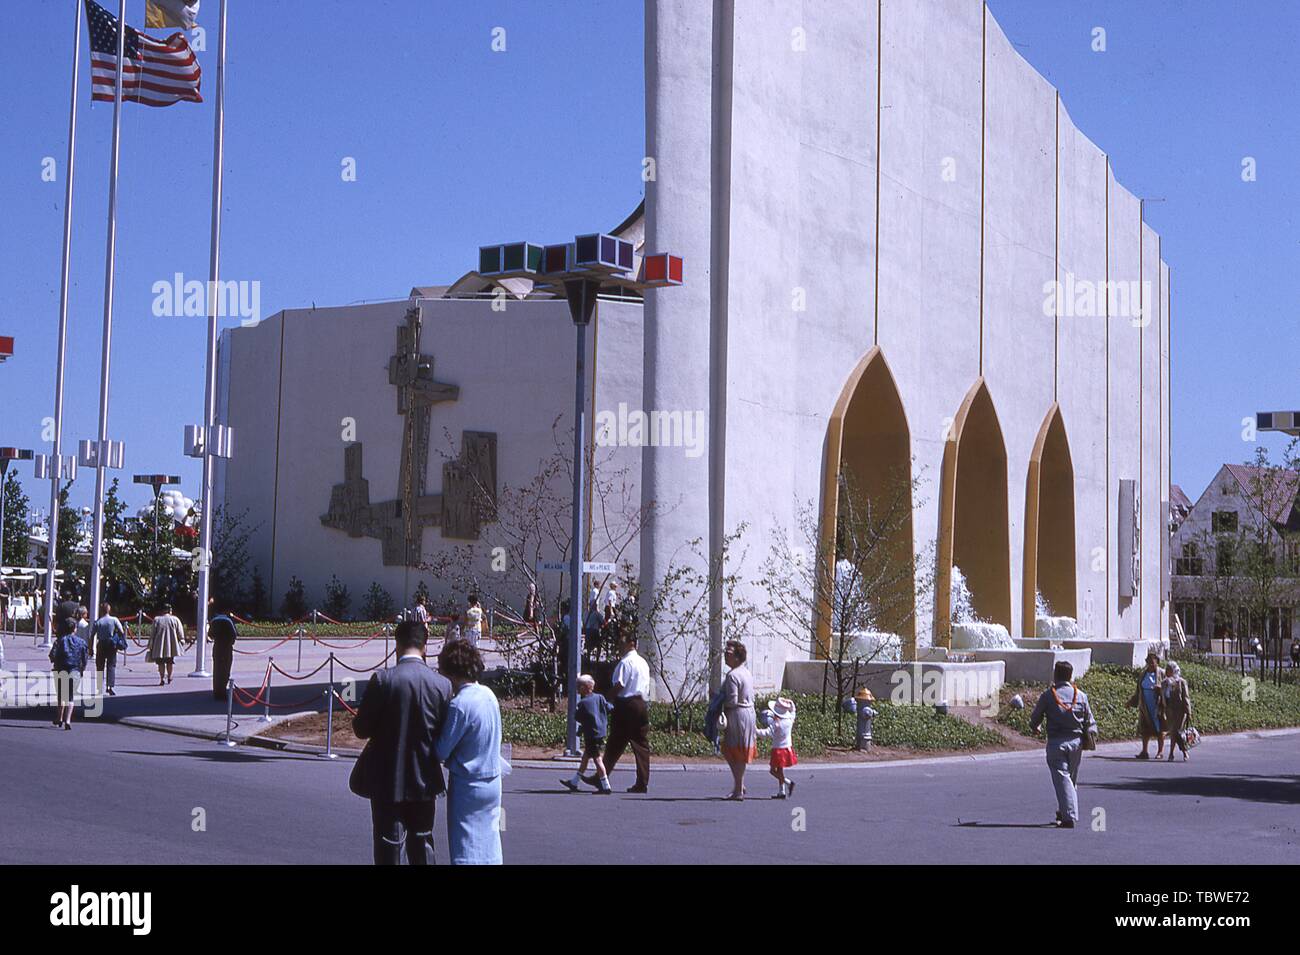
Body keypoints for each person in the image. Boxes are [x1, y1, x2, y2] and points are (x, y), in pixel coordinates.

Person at [349, 620, 452, 865]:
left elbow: (361, 729)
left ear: (397, 645)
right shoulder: (442, 685)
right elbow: (444, 734)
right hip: (425, 779)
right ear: (425, 647)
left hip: (387, 780)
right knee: (423, 843)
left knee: (389, 848)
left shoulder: (383, 680)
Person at [435, 639, 504, 865]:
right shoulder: (488, 695)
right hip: (493, 780)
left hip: (468, 784)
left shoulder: (459, 704)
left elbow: (442, 750)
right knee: (490, 842)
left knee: (465, 843)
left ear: (451, 671)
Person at [1029, 660, 1098, 828]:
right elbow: (1090, 721)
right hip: (1076, 744)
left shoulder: (1048, 695)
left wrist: (1035, 726)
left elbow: (1035, 719)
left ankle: (1069, 816)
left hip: (1057, 743)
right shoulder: (1081, 695)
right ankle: (1063, 810)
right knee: (1070, 779)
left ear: (1056, 675)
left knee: (1062, 778)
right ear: (1070, 675)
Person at [603, 631, 652, 793]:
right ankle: (642, 781)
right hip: (641, 704)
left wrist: (606, 699)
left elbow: (620, 685)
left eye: (621, 642)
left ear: (631, 643)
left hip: (626, 705)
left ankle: (601, 776)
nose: (619, 645)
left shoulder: (625, 663)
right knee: (641, 745)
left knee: (615, 742)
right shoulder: (643, 662)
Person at [563, 674, 613, 794]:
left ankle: (606, 785)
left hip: (591, 735)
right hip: (600, 733)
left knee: (597, 759)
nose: (577, 688)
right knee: (585, 757)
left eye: (579, 686)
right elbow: (609, 708)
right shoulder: (600, 698)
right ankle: (574, 782)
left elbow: (578, 717)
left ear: (585, 687)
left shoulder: (583, 703)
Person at [721, 640, 757, 800]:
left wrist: (719, 702)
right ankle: (739, 785)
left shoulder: (732, 675)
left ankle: (738, 789)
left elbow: (733, 700)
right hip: (749, 713)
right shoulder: (746, 672)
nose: (725, 656)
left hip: (737, 714)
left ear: (737, 657)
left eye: (728, 654)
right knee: (735, 751)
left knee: (734, 751)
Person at [49, 619, 89, 730]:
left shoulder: (59, 641)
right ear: (74, 629)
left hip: (61, 670)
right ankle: (68, 720)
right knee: (70, 697)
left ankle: (59, 718)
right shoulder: (81, 642)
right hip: (75, 671)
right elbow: (84, 659)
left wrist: (55, 661)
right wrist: (82, 669)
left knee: (61, 696)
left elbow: (52, 655)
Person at [757, 696, 798, 799]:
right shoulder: (789, 720)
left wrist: (755, 730)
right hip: (787, 748)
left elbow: (767, 733)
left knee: (772, 771)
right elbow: (793, 711)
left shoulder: (776, 723)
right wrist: (790, 702)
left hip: (778, 749)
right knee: (780, 770)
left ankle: (788, 783)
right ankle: (782, 791)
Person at [1128, 652, 1164, 759]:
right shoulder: (1143, 674)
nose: (1151, 665)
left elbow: (1169, 687)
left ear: (1157, 662)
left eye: (1153, 663)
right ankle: (1144, 751)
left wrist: (1160, 688)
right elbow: (1138, 690)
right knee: (1144, 728)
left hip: (1157, 704)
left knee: (1159, 728)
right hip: (1145, 704)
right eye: (1149, 663)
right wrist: (1131, 702)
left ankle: (1160, 751)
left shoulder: (1161, 673)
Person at [91, 603, 126, 697]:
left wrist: (90, 648)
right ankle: (110, 687)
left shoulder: (98, 621)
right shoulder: (114, 620)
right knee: (111, 665)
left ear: (101, 610)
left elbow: (92, 636)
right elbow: (121, 631)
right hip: (111, 644)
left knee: (100, 666)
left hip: (101, 644)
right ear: (109, 610)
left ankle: (99, 687)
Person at [1162, 661, 1193, 762]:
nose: (1166, 671)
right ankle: (1184, 752)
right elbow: (1163, 698)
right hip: (1169, 711)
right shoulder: (1165, 683)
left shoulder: (1181, 682)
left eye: (1169, 669)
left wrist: (1188, 712)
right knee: (1174, 732)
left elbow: (1186, 697)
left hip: (1180, 711)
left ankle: (1172, 753)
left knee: (1177, 732)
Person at [147, 604, 185, 685]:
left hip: (159, 645)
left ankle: (162, 678)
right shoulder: (175, 619)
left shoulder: (157, 619)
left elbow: (152, 633)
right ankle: (169, 676)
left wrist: (150, 644)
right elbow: (180, 632)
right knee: (170, 661)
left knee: (160, 663)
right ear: (170, 610)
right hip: (171, 645)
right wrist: (182, 640)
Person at [207, 605, 239, 701]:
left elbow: (210, 635)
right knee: (225, 670)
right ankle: (223, 691)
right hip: (227, 648)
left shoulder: (214, 620)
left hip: (217, 648)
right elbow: (234, 634)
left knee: (217, 670)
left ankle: (217, 692)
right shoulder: (229, 621)